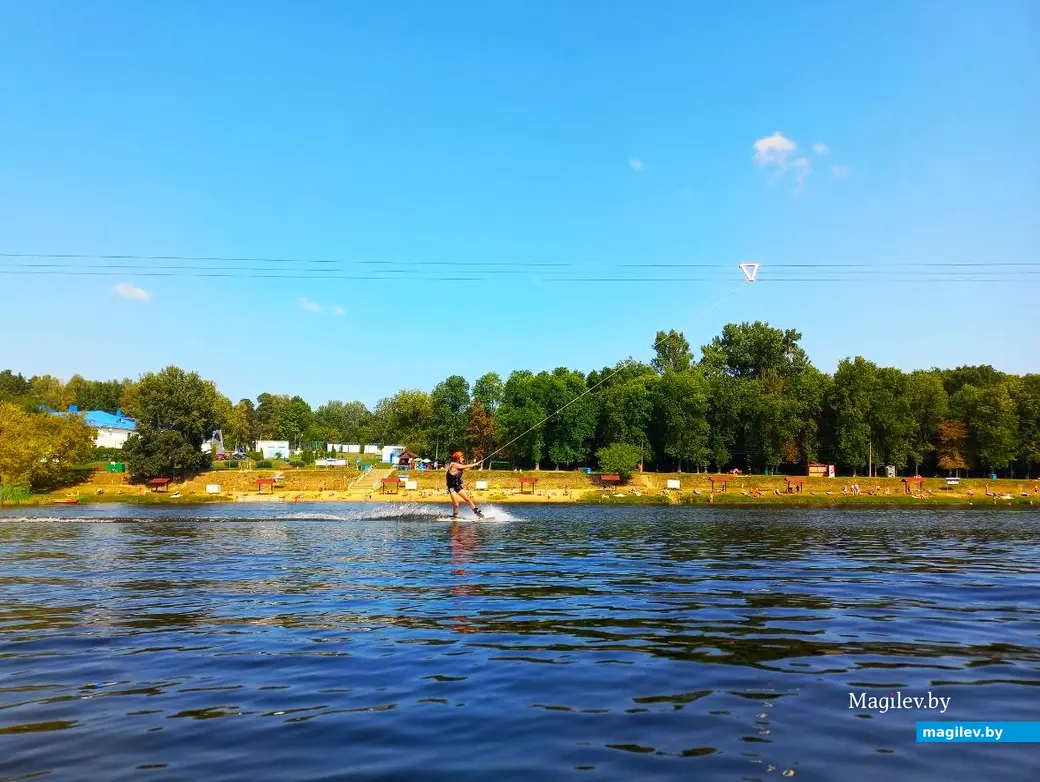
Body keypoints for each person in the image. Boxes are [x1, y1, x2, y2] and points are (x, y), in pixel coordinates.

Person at [446, 450, 484, 519]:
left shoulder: (459, 465)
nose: (463, 458)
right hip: (451, 487)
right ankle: (455, 515)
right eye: (462, 457)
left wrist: (477, 464)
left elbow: (466, 469)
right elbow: (464, 466)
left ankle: (478, 513)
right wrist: (475, 464)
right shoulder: (453, 464)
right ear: (458, 458)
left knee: (468, 499)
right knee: (456, 504)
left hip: (457, 485)